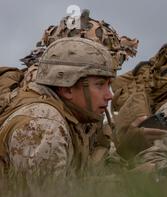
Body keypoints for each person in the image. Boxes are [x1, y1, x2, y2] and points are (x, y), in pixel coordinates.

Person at [0, 38, 116, 177]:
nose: (109, 95)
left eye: (109, 85)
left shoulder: (67, 114)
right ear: (67, 89)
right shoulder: (45, 125)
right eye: (100, 85)